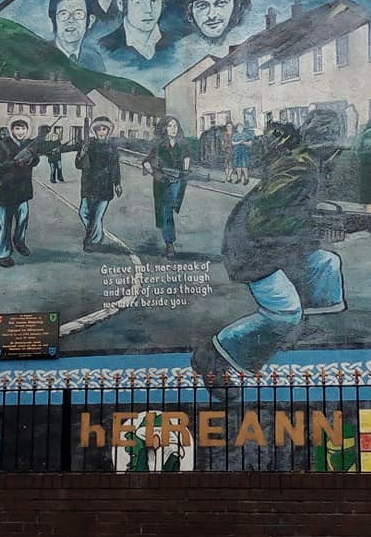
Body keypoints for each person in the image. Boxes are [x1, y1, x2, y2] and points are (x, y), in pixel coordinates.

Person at [191, 112, 347, 380]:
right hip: (254, 252)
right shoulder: (301, 171)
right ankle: (213, 354)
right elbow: (263, 222)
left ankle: (299, 327)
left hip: (272, 246)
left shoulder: (303, 164)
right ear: (329, 150)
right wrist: (313, 230)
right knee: (284, 314)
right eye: (337, 150)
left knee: (327, 264)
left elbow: (289, 211)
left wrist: (314, 224)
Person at [0, 115, 40, 268]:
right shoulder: (1, 145)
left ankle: (19, 242)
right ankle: (2, 254)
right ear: (11, 130)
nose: (20, 132)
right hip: (5, 191)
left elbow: (36, 160)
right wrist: (14, 163)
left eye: (23, 128)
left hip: (23, 191)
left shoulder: (29, 144)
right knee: (5, 225)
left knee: (22, 221)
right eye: (17, 128)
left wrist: (32, 158)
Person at [99, 0, 174, 66]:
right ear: (121, 5)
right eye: (138, 2)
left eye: (154, 1)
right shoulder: (105, 47)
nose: (148, 10)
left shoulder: (174, 43)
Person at [142, 116, 191, 259]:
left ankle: (169, 242)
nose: (173, 129)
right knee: (166, 211)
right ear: (164, 128)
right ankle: (170, 245)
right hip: (162, 183)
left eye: (175, 126)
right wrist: (155, 174)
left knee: (169, 209)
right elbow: (146, 162)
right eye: (170, 126)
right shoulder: (159, 145)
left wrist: (185, 172)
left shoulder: (182, 144)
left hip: (177, 181)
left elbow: (186, 158)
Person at [75, 116, 122, 251]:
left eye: (104, 129)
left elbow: (115, 167)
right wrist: (81, 154)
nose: (101, 132)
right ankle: (97, 235)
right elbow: (78, 165)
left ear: (108, 131)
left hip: (104, 186)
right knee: (83, 212)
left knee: (96, 215)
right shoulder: (88, 145)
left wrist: (117, 183)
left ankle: (91, 241)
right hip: (89, 185)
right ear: (95, 131)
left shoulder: (112, 147)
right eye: (99, 129)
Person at [47, 0, 105, 71]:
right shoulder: (41, 56)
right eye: (64, 14)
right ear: (52, 21)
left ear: (90, 21)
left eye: (78, 14)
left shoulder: (95, 60)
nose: (71, 20)